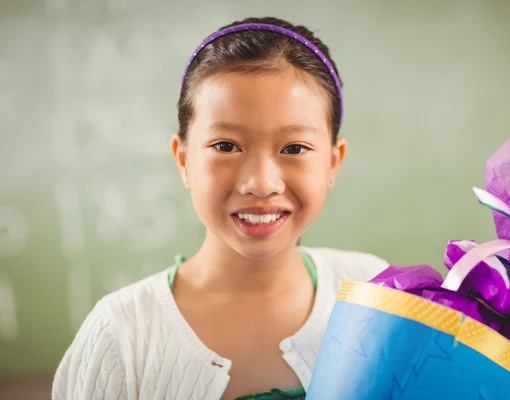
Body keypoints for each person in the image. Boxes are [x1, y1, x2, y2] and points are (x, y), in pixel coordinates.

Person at [52, 16, 390, 400]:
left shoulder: (374, 294)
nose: (261, 183)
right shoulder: (121, 334)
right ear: (183, 160)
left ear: (332, 162)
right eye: (226, 146)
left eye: (294, 148)